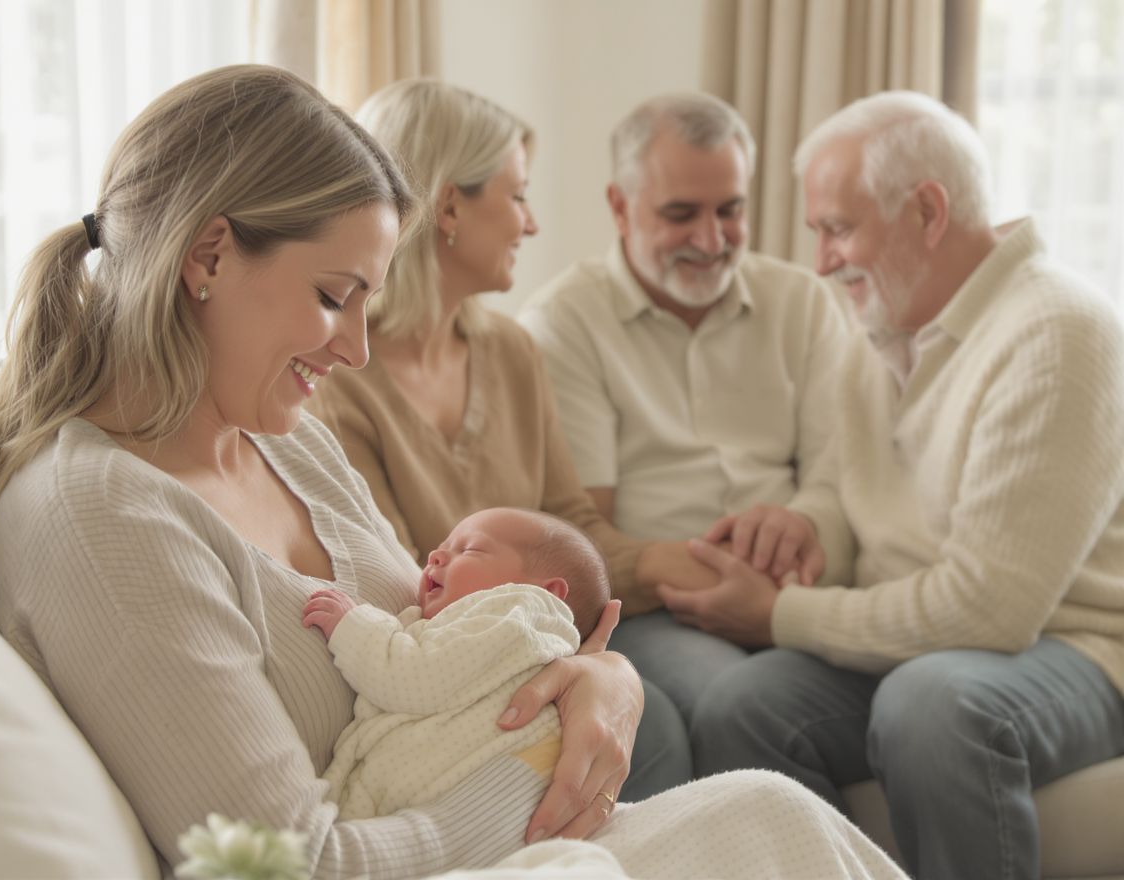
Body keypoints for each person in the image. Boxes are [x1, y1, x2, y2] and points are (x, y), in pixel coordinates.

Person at [0, 64, 913, 880]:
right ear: (209, 254)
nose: (357, 347)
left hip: (503, 844)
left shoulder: (278, 437)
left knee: (769, 810)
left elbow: (448, 634)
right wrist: (535, 782)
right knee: (770, 821)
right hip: (476, 852)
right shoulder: (102, 521)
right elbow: (290, 863)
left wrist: (602, 679)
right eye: (335, 297)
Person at [670, 91, 1124, 880]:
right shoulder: (884, 325)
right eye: (816, 231)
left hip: (1075, 649)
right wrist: (805, 527)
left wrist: (780, 612)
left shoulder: (1060, 332)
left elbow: (990, 609)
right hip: (930, 645)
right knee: (741, 705)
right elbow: (851, 493)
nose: (820, 261)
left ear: (928, 211)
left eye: (838, 229)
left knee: (932, 705)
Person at [305, 79, 731, 800]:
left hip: (536, 643)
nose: (531, 225)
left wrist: (694, 564)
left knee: (686, 705)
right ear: (447, 208)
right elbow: (398, 580)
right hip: (435, 668)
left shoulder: (510, 351)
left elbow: (573, 526)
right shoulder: (338, 376)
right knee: (653, 726)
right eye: (518, 195)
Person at [518, 92, 854, 735]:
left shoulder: (803, 304)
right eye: (681, 214)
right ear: (619, 206)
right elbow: (587, 537)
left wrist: (804, 522)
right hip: (656, 613)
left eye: (731, 210)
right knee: (749, 703)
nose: (711, 239)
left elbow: (841, 477)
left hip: (797, 590)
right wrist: (716, 573)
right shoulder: (564, 325)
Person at [302, 507, 610, 820]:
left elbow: (415, 679)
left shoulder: (521, 615)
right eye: (442, 546)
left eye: (470, 548)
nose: (435, 555)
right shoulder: (471, 631)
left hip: (452, 793)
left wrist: (352, 627)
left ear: (548, 593)